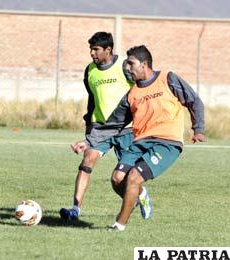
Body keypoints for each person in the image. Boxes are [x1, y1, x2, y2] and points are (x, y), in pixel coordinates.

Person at [89, 45, 205, 231]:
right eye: (126, 65)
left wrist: (198, 128)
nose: (127, 68)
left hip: (167, 143)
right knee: (117, 178)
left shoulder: (168, 79)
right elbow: (113, 123)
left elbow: (194, 101)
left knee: (134, 177)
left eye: (131, 64)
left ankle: (119, 225)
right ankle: (138, 195)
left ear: (144, 64)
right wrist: (88, 142)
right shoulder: (132, 93)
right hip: (140, 142)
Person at [59, 32, 152, 222]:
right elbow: (92, 100)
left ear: (108, 50)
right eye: (91, 49)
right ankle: (75, 210)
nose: (92, 53)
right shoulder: (90, 71)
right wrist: (89, 130)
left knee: (122, 178)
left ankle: (139, 195)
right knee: (86, 163)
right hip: (101, 128)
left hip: (127, 128)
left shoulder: (125, 66)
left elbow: (141, 90)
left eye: (96, 49)